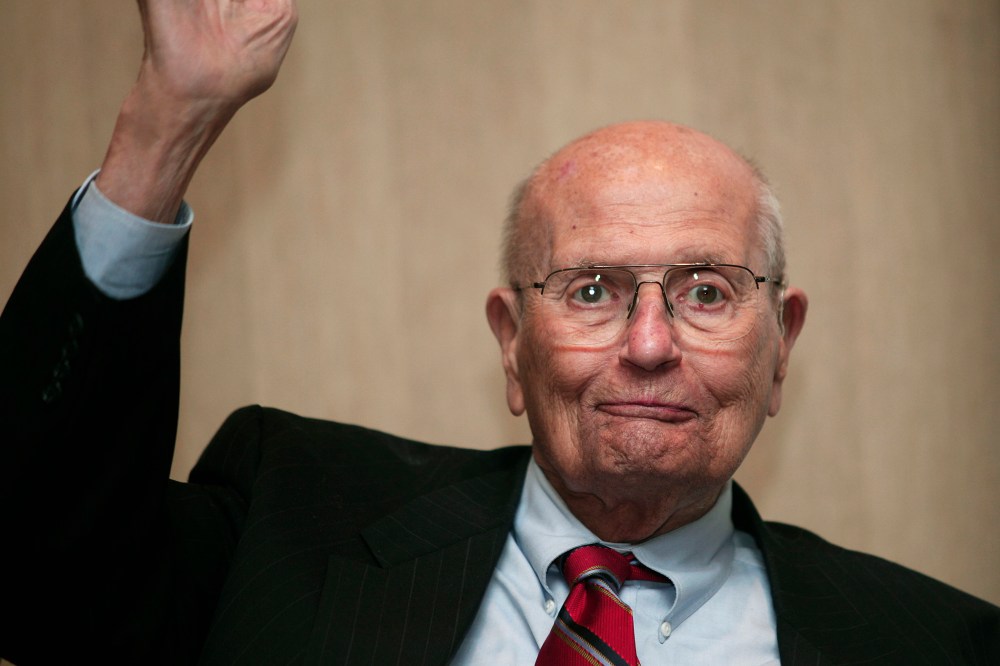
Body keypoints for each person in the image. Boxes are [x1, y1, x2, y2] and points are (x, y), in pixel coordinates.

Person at [1, 1, 997, 664]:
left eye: (703, 290)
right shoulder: (288, 513)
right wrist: (167, 122)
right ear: (510, 344)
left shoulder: (941, 644)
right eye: (593, 290)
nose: (648, 345)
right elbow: (33, 579)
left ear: (781, 343)